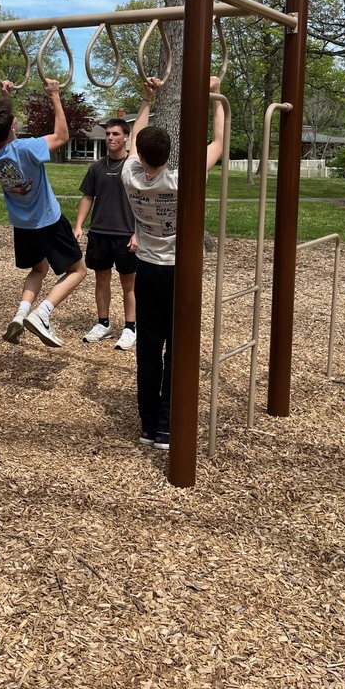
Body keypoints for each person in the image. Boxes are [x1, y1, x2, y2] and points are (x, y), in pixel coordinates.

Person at [121, 75, 225, 451]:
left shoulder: (130, 176)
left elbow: (136, 140)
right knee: (177, 347)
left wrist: (147, 100)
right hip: (179, 272)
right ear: (169, 155)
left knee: (148, 349)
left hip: (146, 269)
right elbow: (218, 143)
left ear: (143, 156)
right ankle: (166, 427)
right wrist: (215, 96)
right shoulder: (184, 180)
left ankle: (148, 425)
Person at [0, 77, 87, 348]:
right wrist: (54, 95)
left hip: (22, 224)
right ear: (13, 125)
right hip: (47, 220)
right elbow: (62, 136)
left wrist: (5, 96)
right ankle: (42, 313)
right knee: (78, 270)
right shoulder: (25, 149)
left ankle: (20, 315)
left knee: (38, 269)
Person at [73, 117, 137, 351]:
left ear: (126, 137)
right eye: (108, 134)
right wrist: (79, 225)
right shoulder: (97, 167)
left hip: (126, 234)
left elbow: (142, 202)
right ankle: (104, 323)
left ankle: (130, 327)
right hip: (100, 232)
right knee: (101, 280)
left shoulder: (133, 166)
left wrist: (137, 233)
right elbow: (88, 196)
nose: (110, 138)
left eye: (116, 134)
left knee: (128, 283)